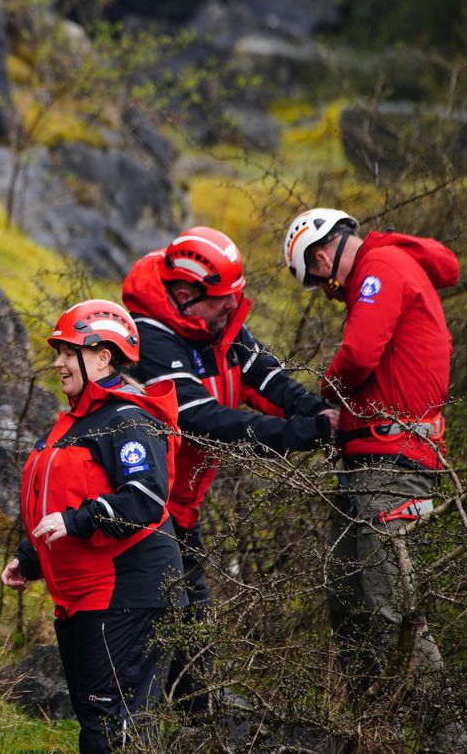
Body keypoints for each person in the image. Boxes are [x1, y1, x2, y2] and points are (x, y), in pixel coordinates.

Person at [120, 226, 337, 714]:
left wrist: (321, 415)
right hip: (143, 506)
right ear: (184, 293)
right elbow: (199, 418)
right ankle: (141, 723)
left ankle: (196, 718)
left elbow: (267, 377)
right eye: (222, 300)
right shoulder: (147, 336)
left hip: (182, 505)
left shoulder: (216, 323)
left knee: (194, 614)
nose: (231, 308)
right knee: (163, 615)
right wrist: (300, 436)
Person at [283, 207, 457, 695]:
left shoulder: (379, 268)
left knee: (387, 604)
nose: (326, 292)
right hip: (371, 461)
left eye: (319, 281)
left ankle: (445, 735)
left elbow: (358, 355)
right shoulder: (382, 268)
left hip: (392, 464)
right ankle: (373, 728)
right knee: (349, 601)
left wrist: (328, 391)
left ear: (321, 254)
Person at [0, 300, 186, 754]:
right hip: (85, 597)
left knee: (112, 729)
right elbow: (61, 500)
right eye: (58, 351)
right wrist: (30, 557)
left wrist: (75, 520)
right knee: (99, 723)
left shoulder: (127, 419)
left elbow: (143, 499)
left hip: (126, 595)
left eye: (68, 351)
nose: (57, 362)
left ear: (104, 356)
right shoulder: (77, 421)